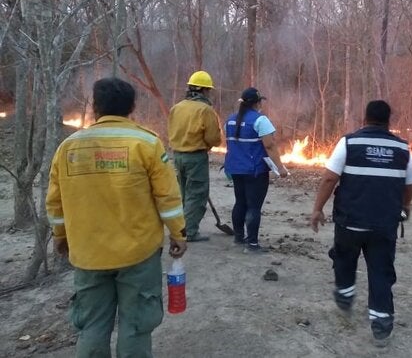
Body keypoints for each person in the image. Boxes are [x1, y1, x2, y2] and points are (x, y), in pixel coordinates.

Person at [46, 77, 187, 358]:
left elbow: (55, 203)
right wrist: (178, 234)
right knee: (135, 326)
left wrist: (60, 237)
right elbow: (168, 198)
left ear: (95, 107)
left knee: (92, 326)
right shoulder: (146, 143)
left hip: (88, 254)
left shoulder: (68, 148)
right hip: (138, 254)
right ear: (132, 107)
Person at [310, 100, 412, 347]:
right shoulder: (402, 148)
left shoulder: (349, 142)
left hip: (350, 223)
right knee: (381, 272)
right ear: (389, 121)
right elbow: (410, 183)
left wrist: (317, 209)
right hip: (384, 225)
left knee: (345, 260)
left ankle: (345, 297)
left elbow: (329, 179)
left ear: (365, 118)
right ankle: (381, 327)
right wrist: (405, 206)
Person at [223, 87, 289, 253]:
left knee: (240, 202)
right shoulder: (261, 120)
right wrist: (280, 167)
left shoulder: (230, 120)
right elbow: (270, 145)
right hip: (255, 171)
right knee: (254, 206)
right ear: (257, 103)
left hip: (235, 169)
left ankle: (239, 238)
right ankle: (252, 244)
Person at [167, 70, 222, 242]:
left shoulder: (176, 107)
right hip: (196, 157)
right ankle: (189, 232)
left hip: (177, 156)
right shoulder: (205, 110)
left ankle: (178, 229)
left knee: (182, 193)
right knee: (197, 194)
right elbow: (214, 138)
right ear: (205, 91)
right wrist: (209, 145)